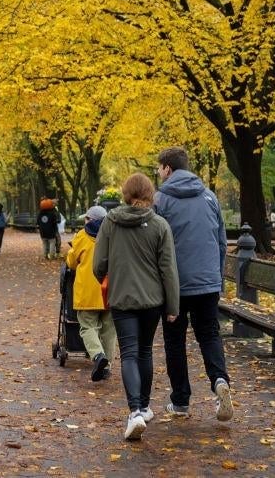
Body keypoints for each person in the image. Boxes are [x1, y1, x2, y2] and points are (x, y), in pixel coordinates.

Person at [93, 173, 179, 441]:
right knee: (145, 351)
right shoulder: (160, 225)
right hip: (152, 300)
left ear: (125, 194)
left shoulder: (111, 222)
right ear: (150, 195)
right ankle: (143, 405)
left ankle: (134, 413)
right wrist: (172, 305)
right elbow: (169, 269)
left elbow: (99, 264)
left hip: (122, 299)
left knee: (128, 352)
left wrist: (107, 279)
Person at [154, 146, 233, 422]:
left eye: (158, 167)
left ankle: (181, 401)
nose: (157, 172)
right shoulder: (209, 197)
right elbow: (221, 241)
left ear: (168, 169)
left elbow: (155, 243)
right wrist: (217, 278)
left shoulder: (160, 200)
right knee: (209, 334)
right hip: (207, 281)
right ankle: (220, 381)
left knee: (174, 341)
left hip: (175, 284)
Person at [65, 205, 115, 382]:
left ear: (89, 219)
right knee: (109, 330)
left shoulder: (81, 236)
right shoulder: (113, 234)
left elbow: (71, 262)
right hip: (109, 288)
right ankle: (107, 366)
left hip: (88, 291)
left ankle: (97, 355)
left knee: (87, 326)